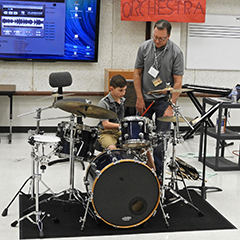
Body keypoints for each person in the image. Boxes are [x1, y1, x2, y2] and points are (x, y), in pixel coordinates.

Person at [133, 19, 184, 178]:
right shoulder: (144, 47)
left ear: (168, 36)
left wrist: (171, 106)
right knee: (139, 136)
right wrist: (139, 97)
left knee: (161, 140)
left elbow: (178, 82)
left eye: (161, 38)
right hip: (145, 98)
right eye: (155, 37)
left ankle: (158, 176)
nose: (157, 41)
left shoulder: (176, 52)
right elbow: (137, 73)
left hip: (164, 101)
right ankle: (139, 172)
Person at [97, 74, 156, 170]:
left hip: (120, 131)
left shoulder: (122, 101)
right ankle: (119, 172)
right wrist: (122, 126)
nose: (123, 93)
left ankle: (153, 171)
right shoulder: (103, 103)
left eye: (125, 90)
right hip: (106, 133)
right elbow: (106, 124)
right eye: (120, 90)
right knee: (113, 149)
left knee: (143, 144)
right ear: (111, 89)